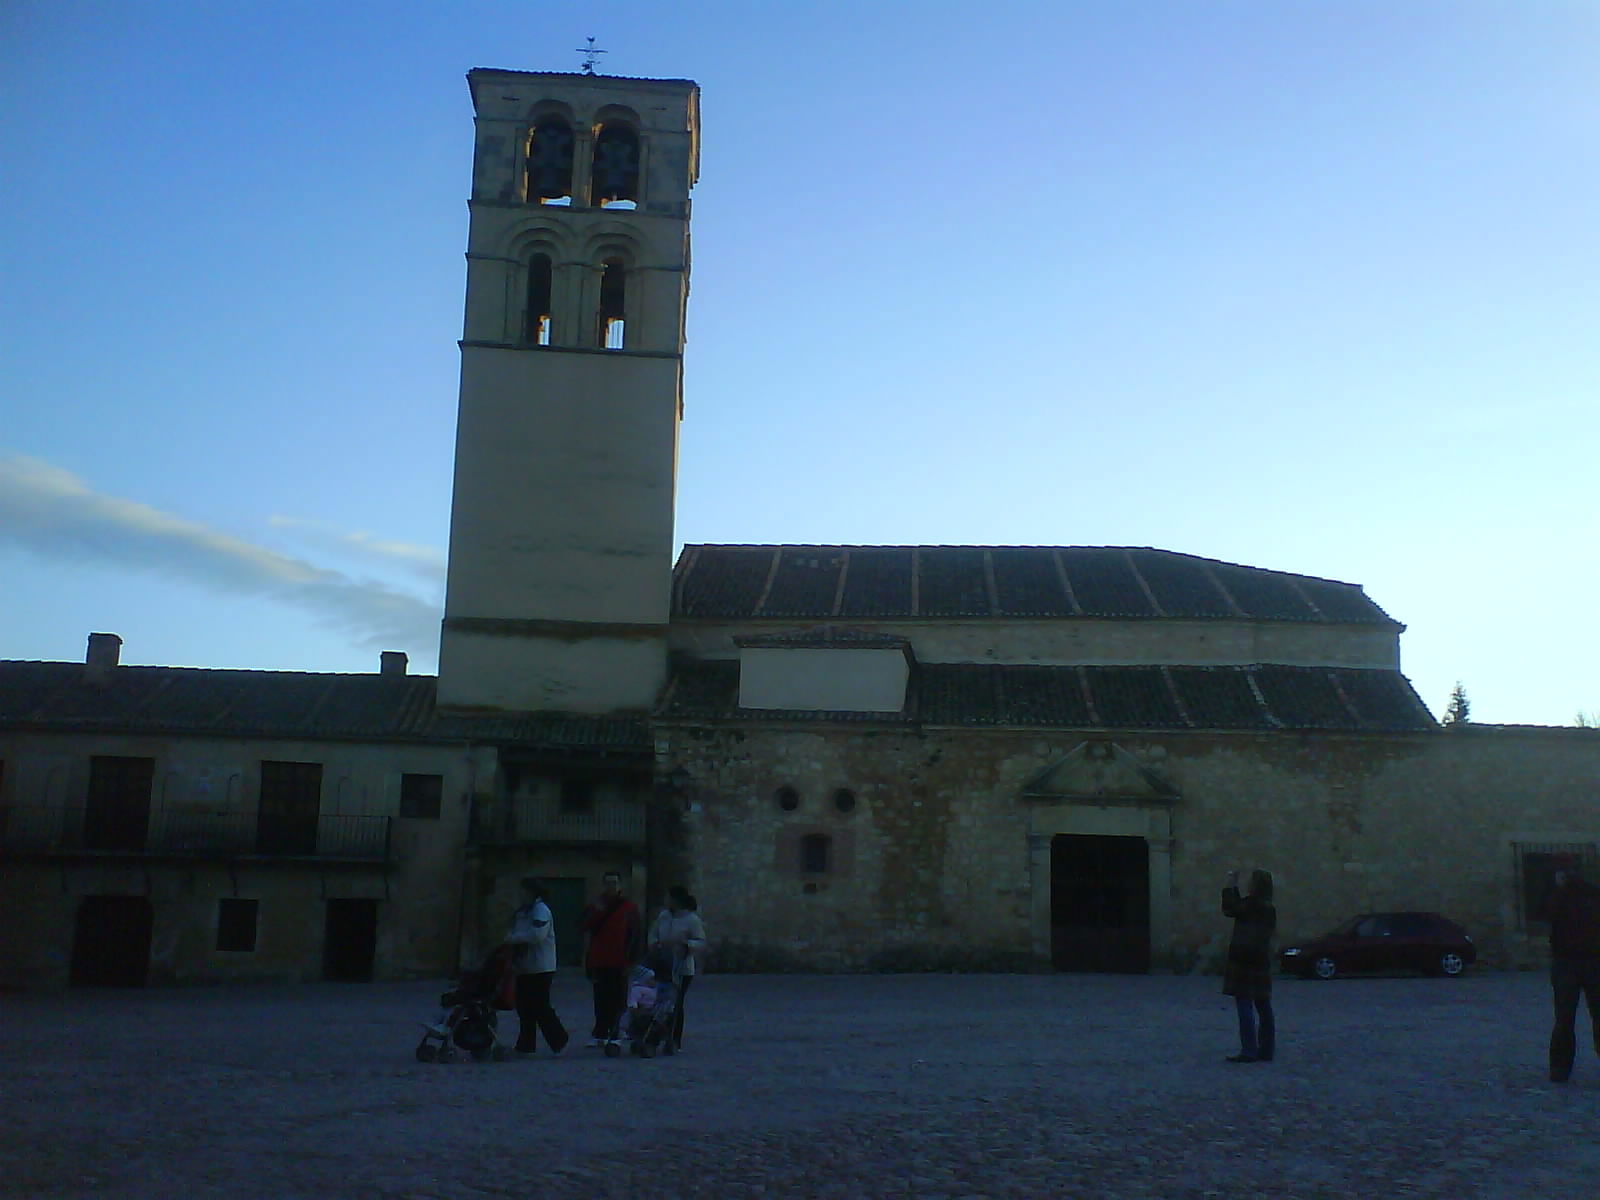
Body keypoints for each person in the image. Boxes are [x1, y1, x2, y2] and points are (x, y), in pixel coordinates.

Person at [1538, 854, 1600, 1083]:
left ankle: (1560, 1069)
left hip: (1576, 962)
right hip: (1582, 961)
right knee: (1577, 1018)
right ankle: (1560, 1068)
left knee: (1567, 1019)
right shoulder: (1587, 893)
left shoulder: (1567, 895)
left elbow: (1546, 916)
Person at [503, 877, 569, 1057]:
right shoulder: (522, 912)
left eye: (524, 891)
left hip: (541, 966)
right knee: (524, 1007)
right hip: (525, 966)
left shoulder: (541, 910)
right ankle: (526, 1044)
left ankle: (559, 1039)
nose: (521, 895)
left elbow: (537, 935)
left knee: (540, 1005)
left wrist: (513, 938)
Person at [579, 870, 643, 1051]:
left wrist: (631, 960)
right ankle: (600, 1031)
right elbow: (582, 926)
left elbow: (635, 934)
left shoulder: (629, 908)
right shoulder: (595, 906)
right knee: (600, 997)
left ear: (620, 885)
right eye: (608, 883)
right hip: (598, 959)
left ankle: (615, 1032)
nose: (611, 886)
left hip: (620, 960)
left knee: (618, 998)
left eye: (614, 883)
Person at [1221, 868, 1276, 1063]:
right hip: (1260, 959)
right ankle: (1267, 1049)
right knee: (1263, 1004)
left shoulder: (1251, 905)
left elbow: (1230, 908)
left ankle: (1249, 1050)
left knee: (1244, 1003)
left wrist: (1231, 883)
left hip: (1243, 958)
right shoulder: (1269, 908)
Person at [650, 885, 707, 1053]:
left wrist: (686, 946)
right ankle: (655, 1035)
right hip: (662, 964)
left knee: (675, 1002)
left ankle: (674, 1038)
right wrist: (654, 944)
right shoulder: (663, 916)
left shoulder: (692, 919)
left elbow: (701, 941)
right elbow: (653, 933)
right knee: (660, 1001)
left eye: (668, 898)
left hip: (682, 967)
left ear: (676, 900)